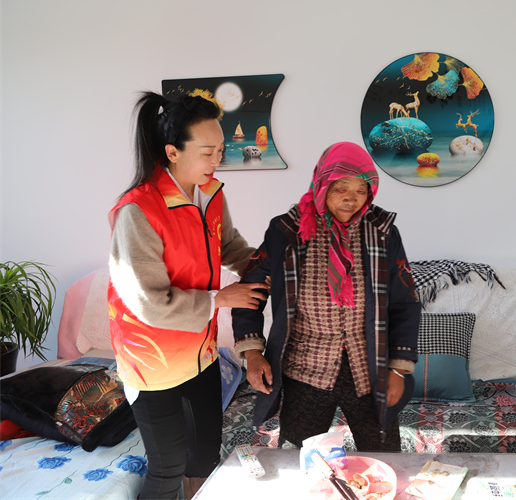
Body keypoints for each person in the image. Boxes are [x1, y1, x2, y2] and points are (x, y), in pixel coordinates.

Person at [107, 91, 269, 500]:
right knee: (167, 470)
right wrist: (220, 299)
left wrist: (269, 269)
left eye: (221, 150)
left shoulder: (209, 192)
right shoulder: (138, 211)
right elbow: (149, 303)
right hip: (153, 363)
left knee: (205, 458)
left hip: (201, 353)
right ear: (172, 152)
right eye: (208, 152)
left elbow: (229, 245)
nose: (218, 160)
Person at [232, 141, 421, 451]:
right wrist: (253, 353)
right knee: (302, 457)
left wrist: (398, 368)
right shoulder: (286, 231)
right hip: (305, 369)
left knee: (384, 457)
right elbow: (250, 291)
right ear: (321, 184)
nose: (351, 198)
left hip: (369, 369)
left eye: (361, 190)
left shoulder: (382, 232)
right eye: (340, 188)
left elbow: (405, 301)